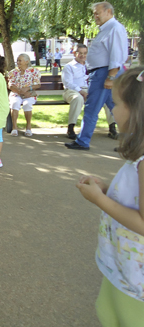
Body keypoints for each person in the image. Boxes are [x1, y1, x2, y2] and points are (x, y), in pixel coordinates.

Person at [74, 68, 144, 325]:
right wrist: (107, 189)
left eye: (116, 103)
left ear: (136, 112)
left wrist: (100, 200)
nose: (112, 109)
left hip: (136, 278)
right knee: (107, 311)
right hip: (122, 266)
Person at [66, 2, 128, 150]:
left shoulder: (114, 28)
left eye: (97, 13)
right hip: (103, 73)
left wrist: (111, 77)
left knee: (92, 108)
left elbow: (116, 55)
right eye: (94, 13)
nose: (95, 16)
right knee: (117, 109)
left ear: (108, 11)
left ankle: (83, 141)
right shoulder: (107, 29)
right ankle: (131, 143)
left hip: (105, 73)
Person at [62, 44, 117, 140]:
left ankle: (112, 127)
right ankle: (71, 128)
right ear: (74, 53)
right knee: (77, 99)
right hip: (72, 91)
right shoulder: (69, 67)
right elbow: (68, 83)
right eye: (80, 53)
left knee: (106, 98)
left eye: (85, 53)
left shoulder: (91, 66)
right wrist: (81, 92)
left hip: (90, 90)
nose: (83, 55)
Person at [7, 53, 41, 137]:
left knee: (27, 104)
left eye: (20, 60)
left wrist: (28, 88)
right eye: (17, 60)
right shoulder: (14, 72)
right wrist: (18, 90)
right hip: (16, 93)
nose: (18, 62)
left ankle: (28, 127)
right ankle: (14, 128)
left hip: (29, 93)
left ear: (27, 61)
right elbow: (10, 85)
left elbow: (38, 84)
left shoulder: (34, 71)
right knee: (15, 103)